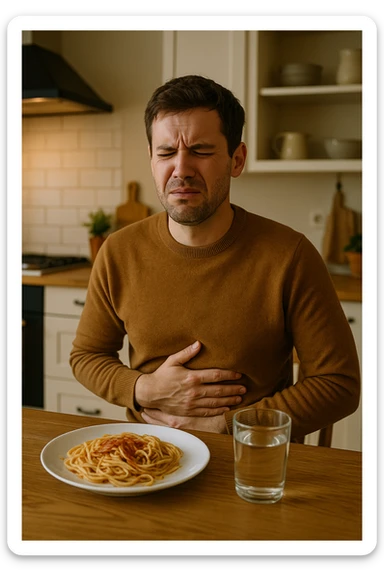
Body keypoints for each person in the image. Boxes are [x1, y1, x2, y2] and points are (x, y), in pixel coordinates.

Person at [70, 74, 361, 439]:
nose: (181, 169)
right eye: (165, 153)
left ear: (236, 160)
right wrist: (145, 389)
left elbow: (339, 385)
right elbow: (86, 357)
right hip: (146, 458)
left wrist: (231, 425)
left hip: (253, 463)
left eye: (201, 151)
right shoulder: (118, 250)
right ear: (151, 160)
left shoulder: (290, 255)